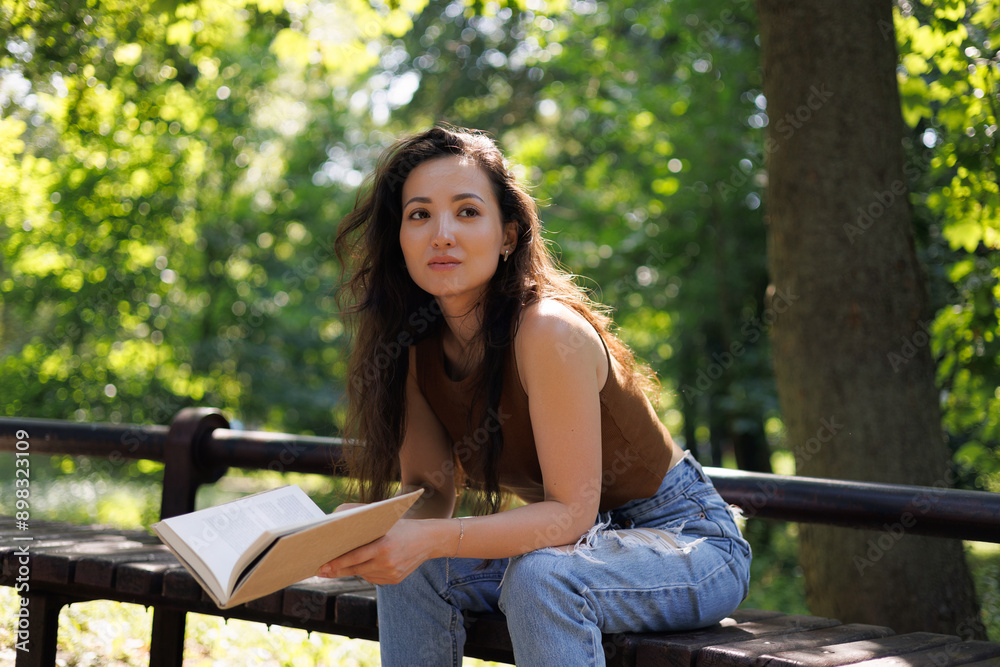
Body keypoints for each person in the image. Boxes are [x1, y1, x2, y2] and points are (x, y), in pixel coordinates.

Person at [320, 126, 751, 666]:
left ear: (508, 235)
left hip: (684, 543)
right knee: (418, 569)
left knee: (542, 579)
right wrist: (366, 530)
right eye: (419, 214)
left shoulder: (547, 332)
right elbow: (428, 494)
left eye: (468, 211)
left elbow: (569, 515)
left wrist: (427, 539)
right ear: (399, 238)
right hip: (570, 549)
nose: (442, 233)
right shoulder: (411, 347)